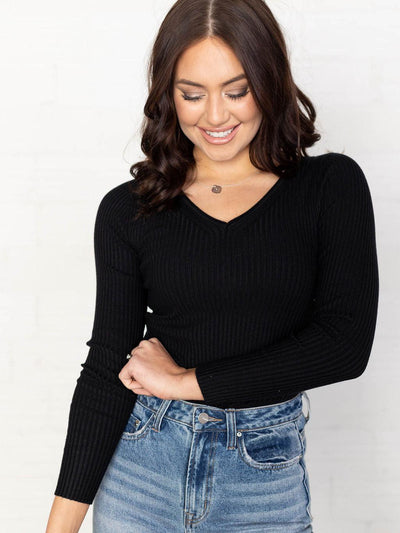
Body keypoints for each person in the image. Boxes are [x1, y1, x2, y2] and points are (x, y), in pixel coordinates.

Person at [45, 0, 379, 531]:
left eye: (237, 91)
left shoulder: (330, 188)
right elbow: (108, 367)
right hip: (141, 467)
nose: (216, 116)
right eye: (192, 94)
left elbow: (344, 346)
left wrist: (186, 382)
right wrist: (58, 526)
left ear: (268, 82)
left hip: (261, 477)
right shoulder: (129, 209)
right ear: (168, 94)